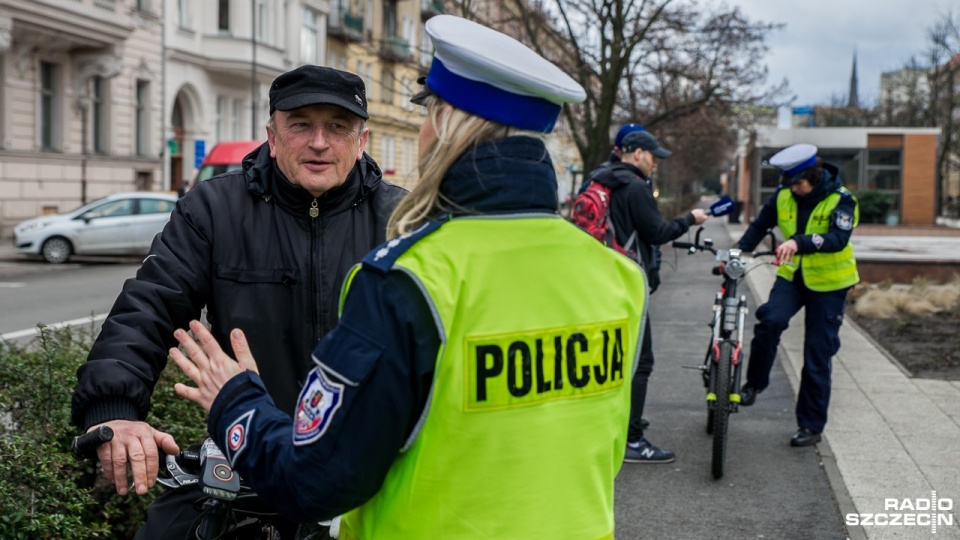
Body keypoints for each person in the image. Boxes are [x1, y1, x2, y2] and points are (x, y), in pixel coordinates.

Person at [168, 14, 649, 539]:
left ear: (445, 126)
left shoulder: (409, 279)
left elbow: (315, 482)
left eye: (427, 115)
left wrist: (236, 403)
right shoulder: (617, 275)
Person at [70, 65, 406, 539]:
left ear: (361, 139)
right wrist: (114, 410)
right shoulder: (212, 210)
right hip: (244, 456)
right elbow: (148, 306)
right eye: (301, 124)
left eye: (337, 126)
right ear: (273, 135)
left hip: (367, 475)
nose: (318, 142)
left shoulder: (404, 223)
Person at [586, 128, 708, 463]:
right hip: (627, 286)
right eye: (653, 156)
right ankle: (633, 441)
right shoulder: (635, 187)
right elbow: (657, 232)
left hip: (596, 283)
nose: (656, 164)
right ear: (637, 153)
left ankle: (598, 431)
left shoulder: (598, 179)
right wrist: (690, 219)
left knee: (606, 360)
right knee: (641, 362)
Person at [736, 143, 859, 447]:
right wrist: (736, 253)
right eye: (789, 184)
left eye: (798, 184)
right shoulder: (783, 196)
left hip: (830, 285)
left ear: (814, 176)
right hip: (793, 278)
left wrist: (799, 242)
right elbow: (759, 226)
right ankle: (754, 384)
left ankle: (810, 426)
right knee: (769, 321)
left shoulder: (841, 200)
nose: (794, 190)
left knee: (816, 355)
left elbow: (838, 239)